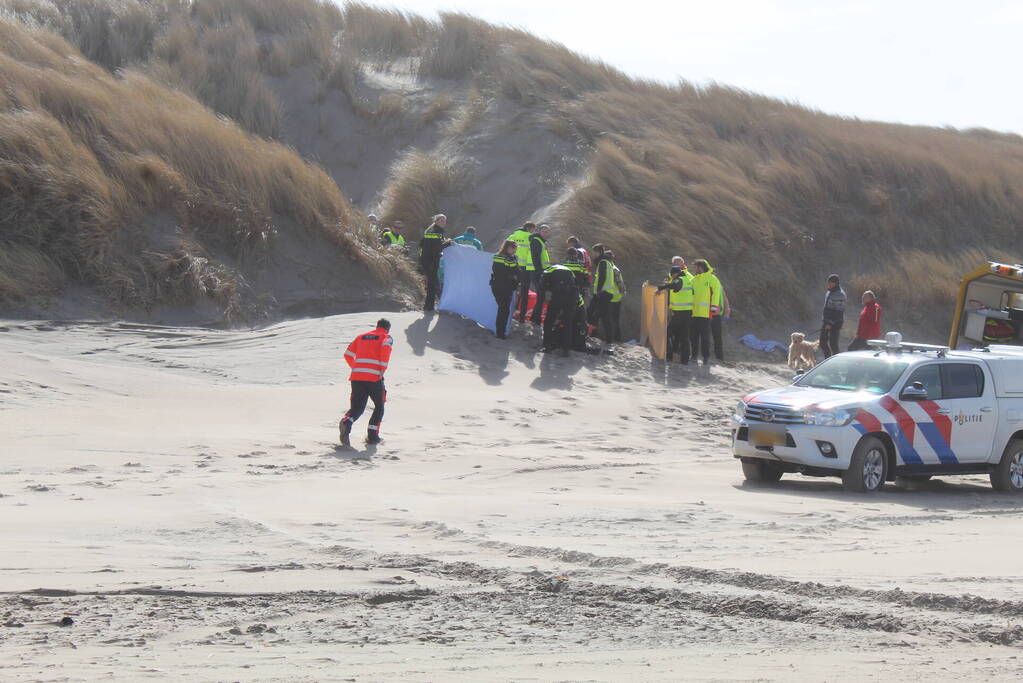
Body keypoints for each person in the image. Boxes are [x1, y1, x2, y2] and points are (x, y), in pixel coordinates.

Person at [339, 319, 393, 446]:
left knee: (357, 407)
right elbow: (385, 351)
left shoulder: (361, 337)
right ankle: (373, 437)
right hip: (374, 377)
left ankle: (346, 422)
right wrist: (382, 370)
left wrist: (356, 368)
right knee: (379, 406)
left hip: (357, 377)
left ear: (377, 326)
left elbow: (347, 354)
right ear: (387, 328)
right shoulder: (386, 337)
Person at [539, 253, 582, 355]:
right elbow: (576, 284)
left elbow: (542, 283)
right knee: (568, 323)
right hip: (571, 297)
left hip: (558, 296)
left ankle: (547, 346)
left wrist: (546, 294)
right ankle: (566, 349)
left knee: (549, 320)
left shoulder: (550, 269)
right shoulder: (569, 271)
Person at [657, 258, 694, 364]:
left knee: (667, 332)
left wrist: (661, 288)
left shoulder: (679, 279)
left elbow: (674, 285)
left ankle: (669, 356)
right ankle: (684, 361)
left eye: (672, 275)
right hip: (688, 312)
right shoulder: (688, 279)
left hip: (680, 313)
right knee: (685, 337)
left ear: (675, 274)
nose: (672, 278)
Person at [588, 244, 623, 342]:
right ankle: (607, 339)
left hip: (603, 293)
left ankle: (591, 335)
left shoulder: (603, 262)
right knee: (604, 317)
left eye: (594, 252)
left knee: (592, 313)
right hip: (608, 294)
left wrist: (598, 291)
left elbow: (602, 277)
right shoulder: (608, 263)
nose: (593, 254)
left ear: (598, 252)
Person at [418, 214, 451, 312]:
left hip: (427, 260)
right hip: (430, 261)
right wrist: (448, 243)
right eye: (441, 220)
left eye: (445, 221)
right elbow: (438, 248)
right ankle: (429, 307)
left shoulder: (432, 231)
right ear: (436, 221)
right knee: (433, 284)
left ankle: (428, 306)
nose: (444, 223)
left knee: (432, 284)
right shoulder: (435, 232)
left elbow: (422, 244)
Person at [690, 259, 720, 366]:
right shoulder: (694, 280)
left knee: (705, 337)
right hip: (694, 313)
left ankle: (705, 357)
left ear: (700, 267)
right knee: (693, 336)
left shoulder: (712, 278)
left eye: (695, 267)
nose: (694, 269)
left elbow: (716, 292)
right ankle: (694, 356)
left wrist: (714, 307)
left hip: (706, 313)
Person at [506, 222, 536, 324]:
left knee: (510, 290)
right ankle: (521, 317)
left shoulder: (513, 236)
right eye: (533, 229)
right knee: (524, 292)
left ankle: (509, 313)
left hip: (511, 266)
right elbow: (531, 254)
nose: (533, 231)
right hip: (524, 268)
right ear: (529, 228)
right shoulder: (530, 237)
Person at [490, 240, 519, 339]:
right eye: (512, 248)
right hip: (504, 287)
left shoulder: (497, 256)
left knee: (502, 309)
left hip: (496, 286)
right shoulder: (509, 259)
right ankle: (500, 333)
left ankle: (500, 331)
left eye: (515, 248)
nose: (514, 250)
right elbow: (516, 271)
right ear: (507, 247)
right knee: (504, 310)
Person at [526, 224, 552, 324]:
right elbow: (535, 258)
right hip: (536, 272)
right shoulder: (536, 241)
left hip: (538, 271)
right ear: (539, 231)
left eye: (547, 231)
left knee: (541, 296)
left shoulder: (540, 241)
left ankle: (535, 318)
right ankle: (535, 319)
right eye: (543, 231)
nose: (545, 233)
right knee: (541, 296)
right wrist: (540, 273)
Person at [820, 274, 847, 358]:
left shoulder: (840, 294)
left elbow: (839, 311)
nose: (828, 284)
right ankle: (827, 360)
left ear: (835, 283)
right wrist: (826, 321)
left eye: (830, 282)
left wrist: (830, 323)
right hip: (826, 321)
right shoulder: (829, 292)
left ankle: (837, 361)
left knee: (833, 344)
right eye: (828, 282)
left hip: (836, 323)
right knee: (822, 342)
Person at [710, 269, 730, 362]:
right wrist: (727, 312)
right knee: (715, 337)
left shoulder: (718, 286)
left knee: (716, 337)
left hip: (715, 315)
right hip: (710, 314)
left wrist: (727, 312)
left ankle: (719, 357)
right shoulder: (715, 285)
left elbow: (725, 299)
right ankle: (717, 356)